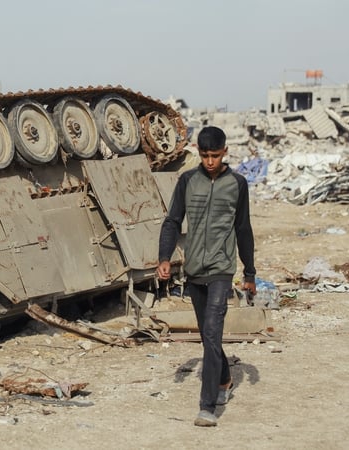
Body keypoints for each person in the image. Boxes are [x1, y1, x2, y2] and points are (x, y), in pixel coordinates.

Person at [156, 126, 256, 427]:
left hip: (222, 269)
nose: (210, 161)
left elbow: (243, 229)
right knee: (207, 335)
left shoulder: (237, 184)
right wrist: (164, 257)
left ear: (225, 152)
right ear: (198, 152)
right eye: (204, 155)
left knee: (212, 331)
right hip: (194, 268)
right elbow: (172, 221)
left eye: (215, 155)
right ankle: (224, 379)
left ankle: (207, 406)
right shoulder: (187, 181)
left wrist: (249, 272)